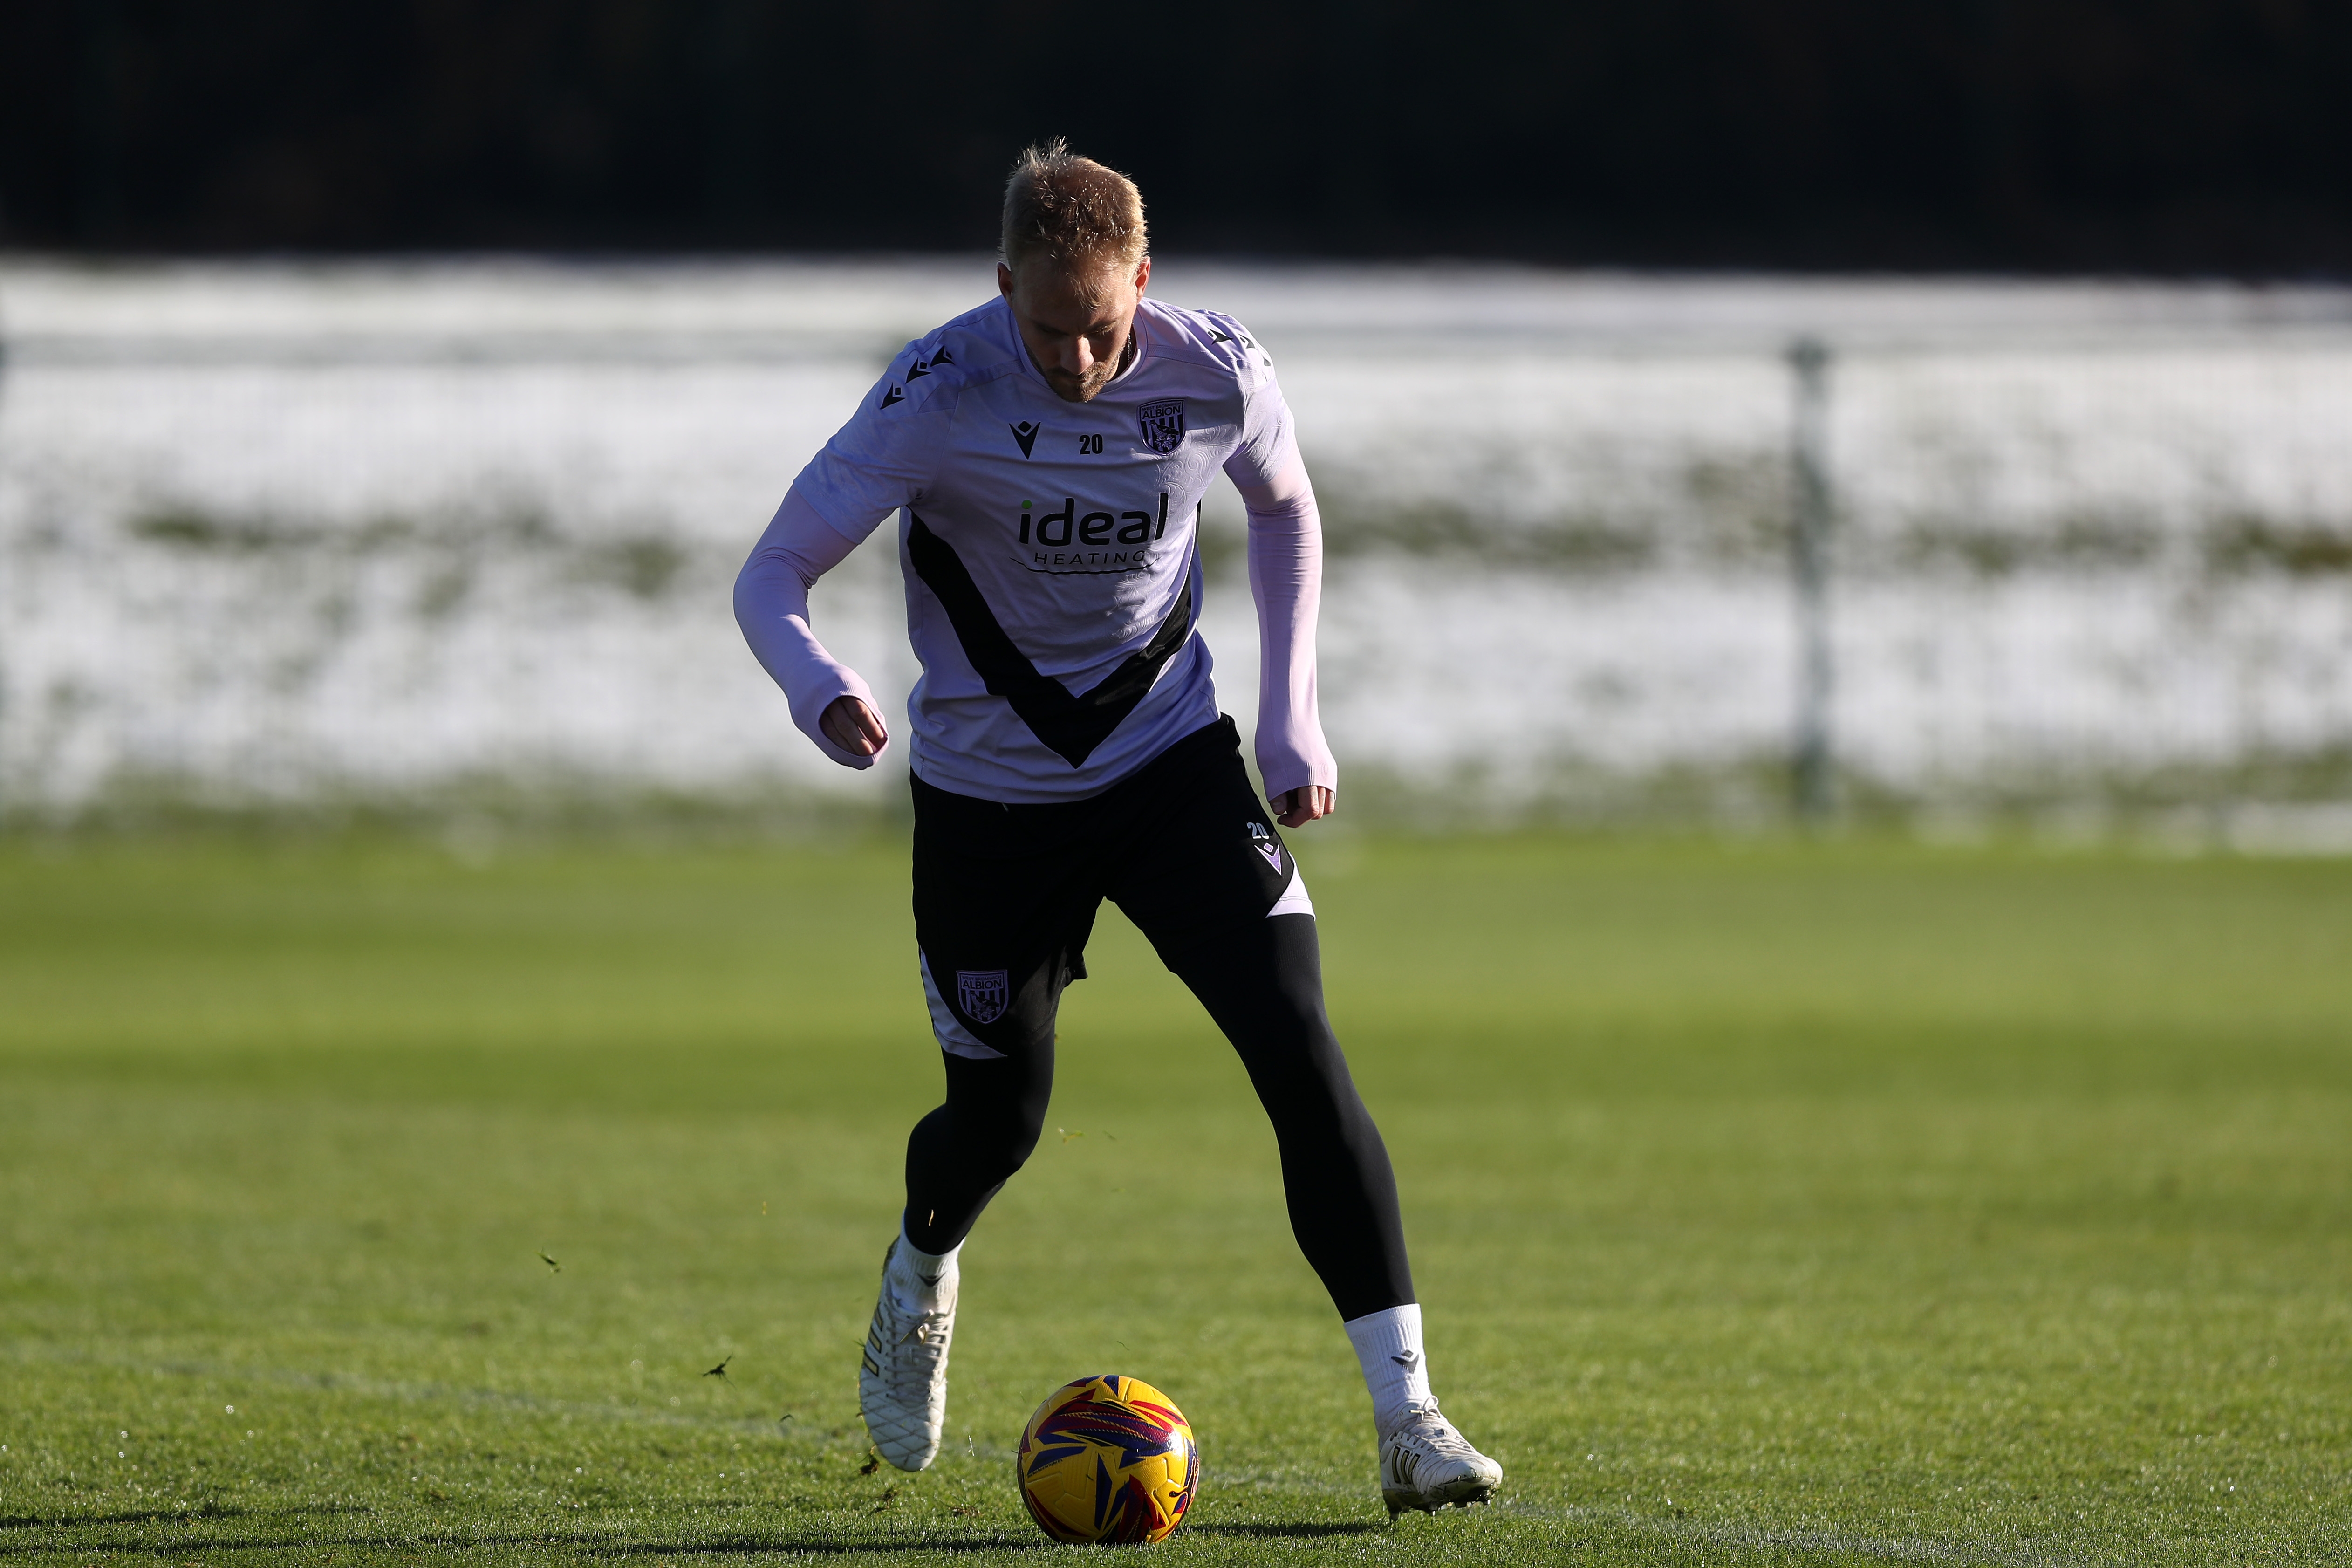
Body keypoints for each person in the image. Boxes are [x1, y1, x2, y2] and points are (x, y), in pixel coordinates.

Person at [733, 140, 1501, 1517]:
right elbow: (771, 572)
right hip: (990, 804)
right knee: (998, 1123)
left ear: (1143, 279)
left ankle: (1412, 1420)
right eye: (1048, 326)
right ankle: (920, 1270)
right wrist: (822, 687)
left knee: (1298, 1044)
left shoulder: (1216, 369)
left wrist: (1291, 720)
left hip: (1171, 771)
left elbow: (1286, 507)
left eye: (1102, 324)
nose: (1079, 356)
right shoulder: (938, 388)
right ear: (1001, 286)